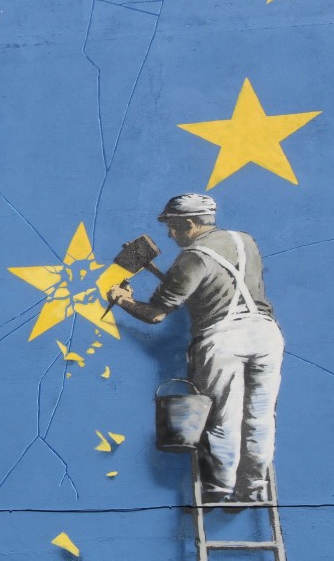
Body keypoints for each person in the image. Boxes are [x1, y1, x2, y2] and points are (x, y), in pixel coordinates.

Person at [107, 193, 284, 503]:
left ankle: (219, 487)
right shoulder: (245, 241)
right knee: (260, 417)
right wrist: (169, 279)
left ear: (188, 223)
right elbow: (220, 285)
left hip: (224, 338)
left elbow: (157, 314)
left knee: (222, 417)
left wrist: (122, 299)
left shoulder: (192, 257)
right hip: (266, 334)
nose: (169, 234)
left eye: (172, 226)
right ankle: (254, 488)